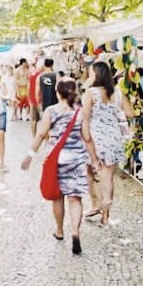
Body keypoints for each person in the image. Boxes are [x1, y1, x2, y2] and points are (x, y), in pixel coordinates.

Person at [22, 77, 98, 254]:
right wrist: (94, 160)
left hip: (58, 159)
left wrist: (29, 156)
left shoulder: (51, 111)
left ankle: (59, 230)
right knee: (75, 198)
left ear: (57, 93)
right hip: (77, 159)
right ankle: (75, 232)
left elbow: (41, 134)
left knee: (58, 197)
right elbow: (87, 137)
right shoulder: (80, 112)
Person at [82, 62, 134, 226]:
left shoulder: (90, 93)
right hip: (113, 139)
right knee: (108, 176)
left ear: (96, 75)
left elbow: (84, 118)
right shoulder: (118, 92)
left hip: (96, 139)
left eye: (90, 73)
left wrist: (86, 137)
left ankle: (96, 204)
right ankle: (105, 214)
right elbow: (130, 113)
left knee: (89, 172)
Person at [27, 58, 43, 136]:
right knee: (44, 119)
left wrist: (29, 98)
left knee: (33, 120)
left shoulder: (32, 74)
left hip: (33, 99)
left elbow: (29, 87)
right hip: (40, 100)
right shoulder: (42, 75)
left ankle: (34, 136)